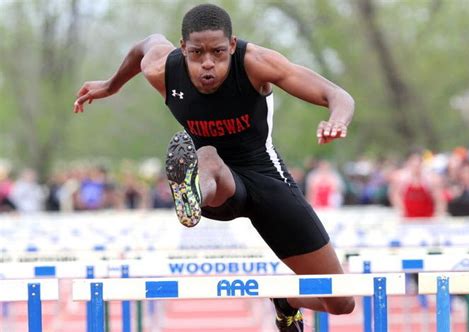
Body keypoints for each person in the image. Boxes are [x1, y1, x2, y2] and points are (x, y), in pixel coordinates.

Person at [73, 4, 355, 330]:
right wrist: (112, 85)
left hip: (267, 180)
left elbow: (337, 94)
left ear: (232, 46)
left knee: (341, 300)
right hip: (216, 185)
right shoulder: (162, 68)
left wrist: (337, 120)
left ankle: (286, 299)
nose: (208, 63)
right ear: (183, 49)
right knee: (207, 155)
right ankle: (192, 195)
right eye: (197, 53)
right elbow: (146, 45)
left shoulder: (256, 63)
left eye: (219, 53)